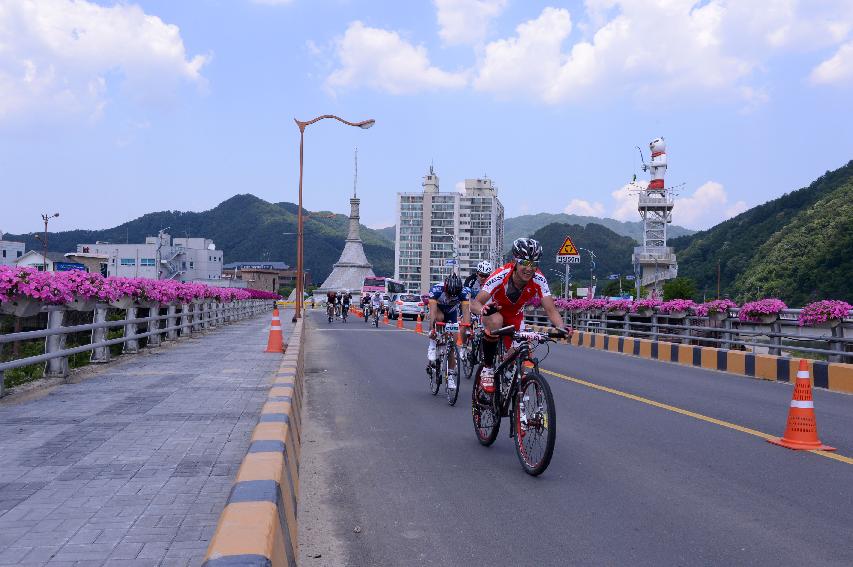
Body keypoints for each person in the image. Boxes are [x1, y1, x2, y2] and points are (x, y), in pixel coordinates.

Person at [470, 238, 569, 394]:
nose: (529, 269)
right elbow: (475, 304)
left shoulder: (539, 278)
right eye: (525, 263)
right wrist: (483, 311)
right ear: (515, 261)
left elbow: (551, 309)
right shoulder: (501, 274)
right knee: (497, 320)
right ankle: (488, 368)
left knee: (520, 363)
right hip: (494, 311)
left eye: (534, 264)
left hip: (515, 316)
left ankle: (515, 403)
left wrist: (561, 327)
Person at [427, 272, 470, 391]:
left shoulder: (463, 293)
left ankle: (450, 376)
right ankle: (432, 346)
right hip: (439, 310)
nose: (451, 297)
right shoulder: (436, 290)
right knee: (439, 319)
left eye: (454, 295)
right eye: (449, 294)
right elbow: (433, 313)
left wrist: (467, 329)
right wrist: (431, 330)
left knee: (452, 346)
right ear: (445, 288)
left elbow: (466, 312)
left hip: (451, 313)